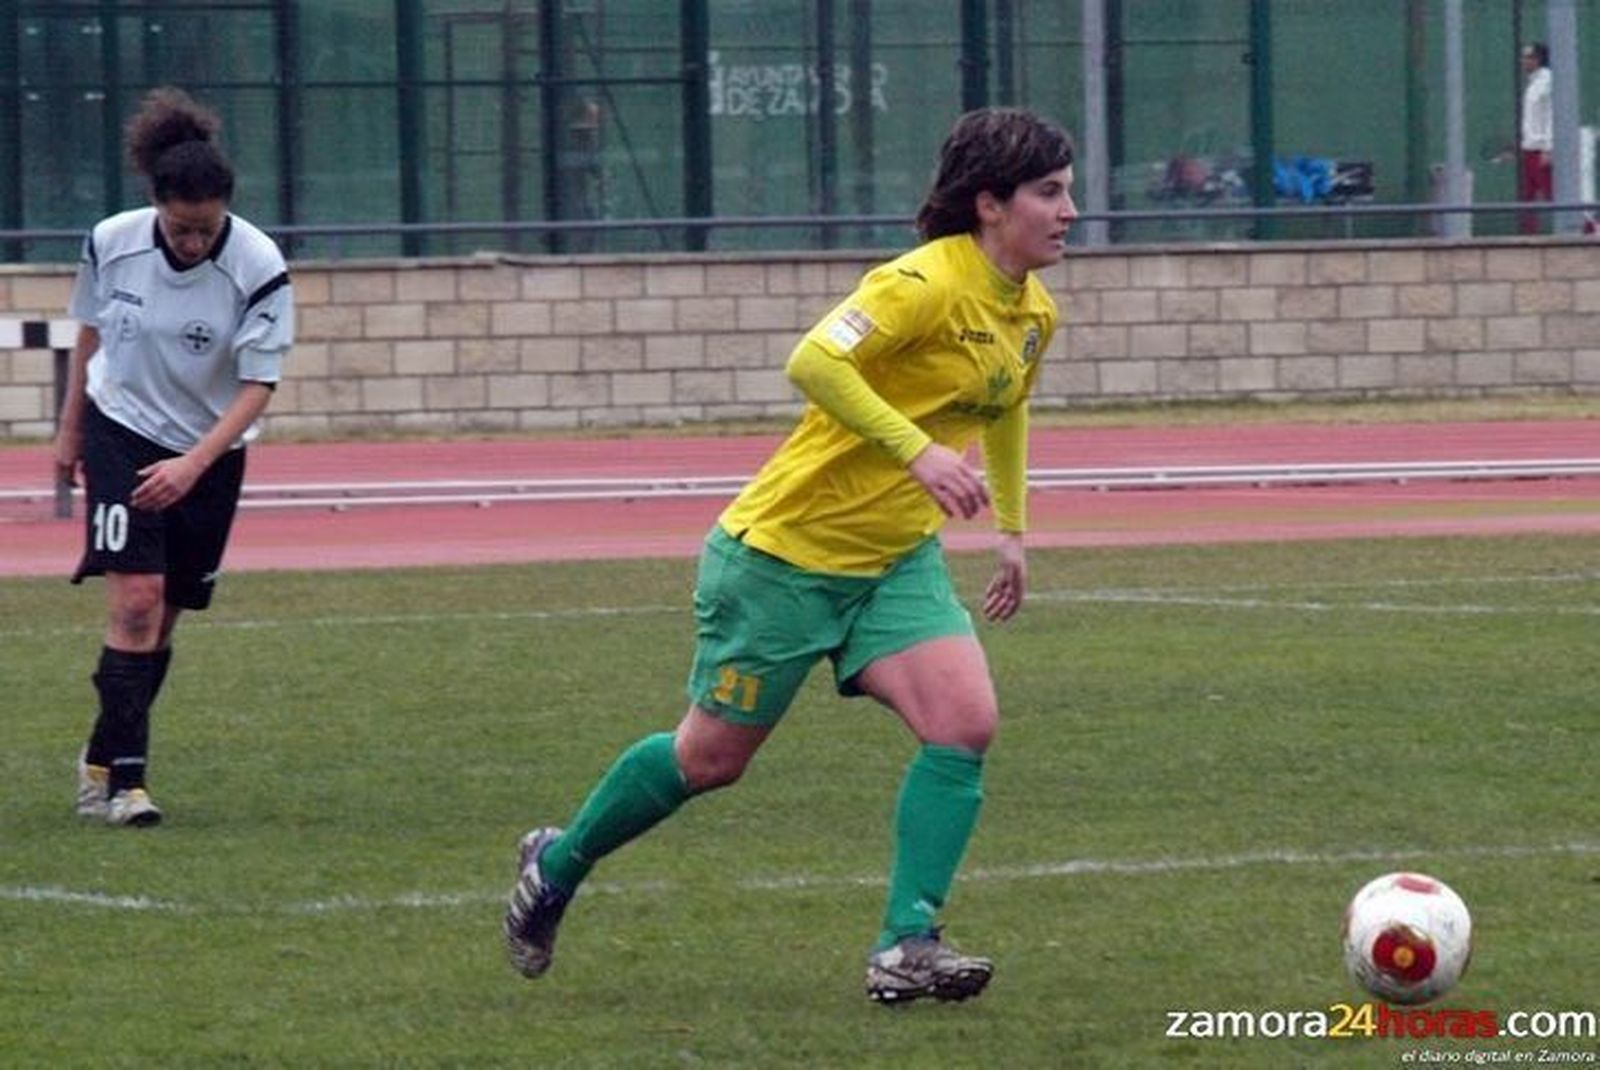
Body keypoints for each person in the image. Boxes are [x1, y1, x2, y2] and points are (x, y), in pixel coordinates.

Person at [504, 106, 1076, 1004]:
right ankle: (557, 863)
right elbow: (814, 361)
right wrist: (917, 451)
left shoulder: (1033, 311)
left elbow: (1005, 406)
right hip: (782, 557)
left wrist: (1012, 528)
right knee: (710, 761)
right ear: (991, 203)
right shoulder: (918, 284)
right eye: (1049, 192)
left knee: (964, 724)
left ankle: (906, 944)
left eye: (1067, 190)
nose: (1069, 209)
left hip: (894, 563)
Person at [53, 87, 294, 827]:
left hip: (209, 452)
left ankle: (99, 756)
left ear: (225, 209)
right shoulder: (111, 241)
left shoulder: (257, 265)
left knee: (164, 620)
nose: (191, 242)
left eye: (205, 228)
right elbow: (90, 336)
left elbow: (259, 386)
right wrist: (68, 433)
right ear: (155, 203)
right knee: (134, 601)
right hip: (120, 430)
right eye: (179, 227)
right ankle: (128, 784)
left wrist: (193, 463)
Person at [1518, 42, 1553, 235]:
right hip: (1530, 148)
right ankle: (1529, 237)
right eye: (1524, 57)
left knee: (1553, 195)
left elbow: (1551, 116)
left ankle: (1590, 230)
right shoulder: (1533, 83)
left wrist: (1548, 149)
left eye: (1529, 57)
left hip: (1541, 150)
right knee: (1527, 198)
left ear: (1539, 59)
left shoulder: (1548, 82)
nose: (1524, 61)